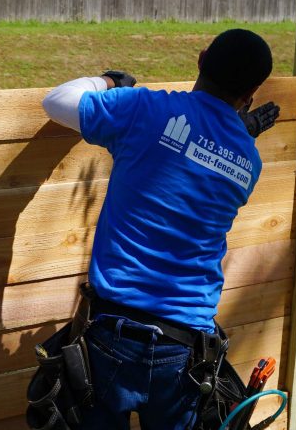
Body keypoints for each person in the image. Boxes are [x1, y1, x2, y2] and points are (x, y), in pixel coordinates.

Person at [38, 28, 279, 430]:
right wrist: (240, 130)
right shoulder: (248, 162)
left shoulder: (144, 110)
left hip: (111, 337)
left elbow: (56, 101)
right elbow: (202, 163)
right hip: (185, 353)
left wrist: (109, 82)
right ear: (252, 90)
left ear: (201, 59)